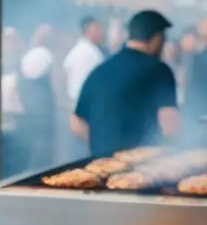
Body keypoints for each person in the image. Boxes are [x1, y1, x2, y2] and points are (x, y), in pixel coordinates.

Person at [71, 10, 179, 157]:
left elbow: (76, 122)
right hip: (143, 167)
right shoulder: (159, 70)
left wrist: (103, 148)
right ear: (157, 39)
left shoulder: (100, 70)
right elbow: (170, 126)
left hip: (100, 166)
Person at [16, 24, 57, 167]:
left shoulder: (29, 55)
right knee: (43, 154)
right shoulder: (44, 54)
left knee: (33, 151)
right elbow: (53, 80)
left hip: (30, 111)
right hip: (42, 113)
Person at [63, 17, 106, 106]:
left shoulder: (84, 50)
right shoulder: (86, 52)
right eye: (97, 29)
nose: (101, 32)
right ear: (88, 31)